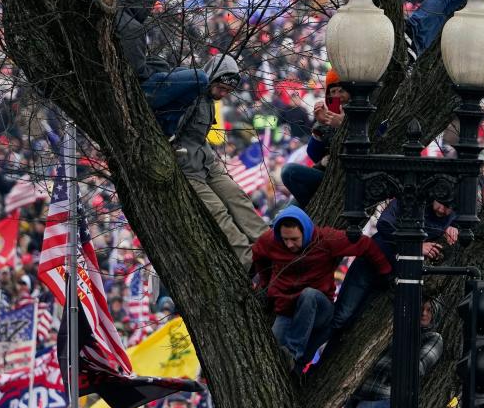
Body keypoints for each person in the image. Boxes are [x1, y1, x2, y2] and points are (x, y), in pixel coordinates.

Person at [143, 54, 266, 266]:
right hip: (187, 168)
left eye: (228, 91)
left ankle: (268, 243)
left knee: (237, 197)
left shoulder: (209, 100)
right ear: (212, 77)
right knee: (218, 212)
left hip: (208, 163)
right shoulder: (188, 95)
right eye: (221, 87)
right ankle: (250, 262)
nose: (223, 93)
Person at [252, 205, 392, 369]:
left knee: (308, 295)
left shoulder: (326, 239)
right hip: (287, 310)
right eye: (285, 240)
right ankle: (294, 373)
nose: (289, 245)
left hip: (319, 308)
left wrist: (385, 271)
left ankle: (292, 353)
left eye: (294, 239)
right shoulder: (270, 241)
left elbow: (365, 244)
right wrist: (266, 284)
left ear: (305, 232)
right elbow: (258, 254)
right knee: (271, 358)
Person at [330, 193, 457, 335]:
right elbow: (384, 224)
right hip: (370, 264)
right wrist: (415, 246)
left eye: (448, 208)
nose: (441, 210)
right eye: (440, 203)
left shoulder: (453, 215)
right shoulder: (412, 200)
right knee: (341, 317)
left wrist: (453, 226)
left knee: (356, 324)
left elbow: (467, 220)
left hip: (391, 276)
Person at [351, 297, 444, 408]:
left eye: (429, 310)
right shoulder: (397, 330)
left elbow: (417, 369)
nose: (423, 313)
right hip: (365, 397)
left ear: (436, 315)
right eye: (421, 308)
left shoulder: (433, 337)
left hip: (390, 400)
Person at [280, 69, 347, 206]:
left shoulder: (357, 113)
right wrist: (320, 126)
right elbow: (313, 154)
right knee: (283, 215)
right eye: (333, 92)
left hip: (343, 178)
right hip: (325, 174)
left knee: (289, 171)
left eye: (341, 91)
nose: (337, 96)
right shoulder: (331, 113)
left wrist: (341, 125)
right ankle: (311, 208)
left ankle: (312, 208)